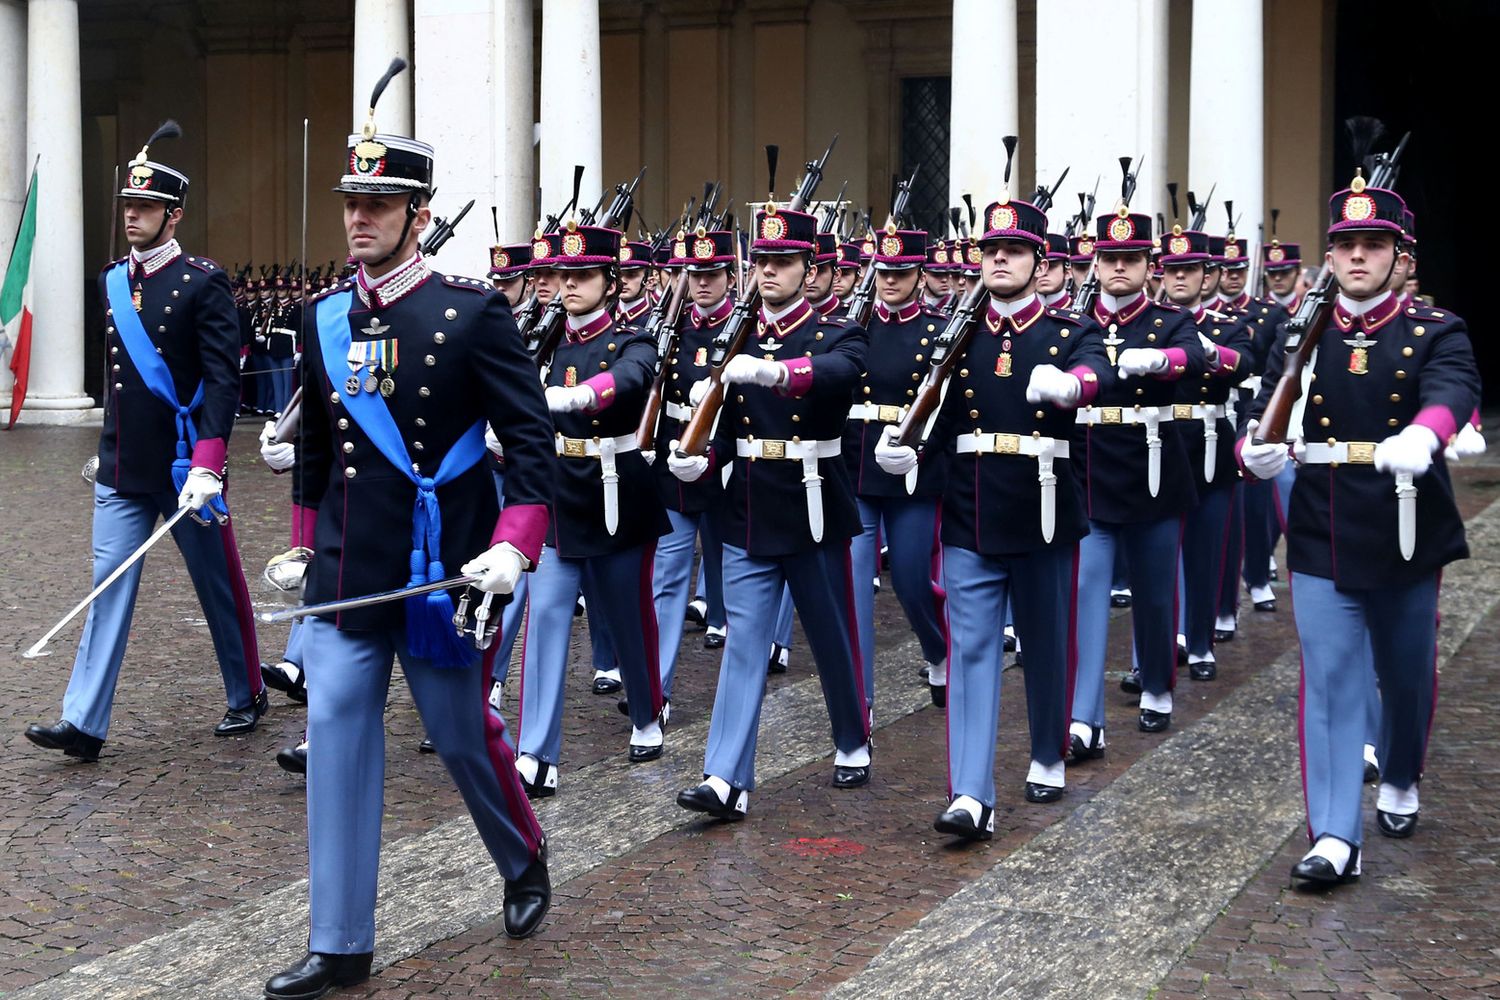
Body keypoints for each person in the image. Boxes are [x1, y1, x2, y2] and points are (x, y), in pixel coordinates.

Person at [263, 65, 555, 999]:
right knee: (337, 731)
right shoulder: (321, 318)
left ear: (417, 214)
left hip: (444, 573)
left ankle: (523, 856)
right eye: (353, 201)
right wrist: (304, 538)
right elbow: (319, 446)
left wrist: (513, 543)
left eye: (380, 203)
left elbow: (532, 445)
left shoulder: (473, 314)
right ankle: (339, 940)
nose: (360, 219)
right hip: (350, 574)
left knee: (462, 736)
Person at [1240, 170, 1478, 889]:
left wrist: (1429, 432)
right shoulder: (1298, 332)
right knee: (1332, 679)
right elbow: (1263, 400)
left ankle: (1401, 773)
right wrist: (1253, 449)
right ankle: (1336, 834)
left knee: (1404, 678)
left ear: (1399, 256)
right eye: (1346, 244)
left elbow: (1455, 391)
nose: (1357, 257)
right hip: (1322, 521)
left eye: (1373, 245)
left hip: (1406, 522)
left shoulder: (1436, 330)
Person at [25, 121, 266, 763]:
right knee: (108, 584)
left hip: (188, 463)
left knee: (217, 582)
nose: (133, 216)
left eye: (146, 207)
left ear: (174, 215)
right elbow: (118, 380)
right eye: (128, 206)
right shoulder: (110, 281)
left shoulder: (201, 281)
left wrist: (211, 461)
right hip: (124, 462)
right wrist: (104, 448)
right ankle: (83, 720)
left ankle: (247, 691)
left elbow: (222, 380)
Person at [877, 194, 1110, 835]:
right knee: (973, 646)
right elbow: (935, 410)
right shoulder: (957, 336)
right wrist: (907, 446)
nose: (999, 260)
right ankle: (970, 793)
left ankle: (1046, 750)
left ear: (1040, 263)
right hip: (971, 510)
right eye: (991, 251)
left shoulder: (1068, 332)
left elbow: (1099, 370)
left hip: (1041, 508)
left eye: (1012, 251)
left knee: (1045, 640)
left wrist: (1074, 385)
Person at [668, 202, 872, 820]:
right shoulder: (737, 339)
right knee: (743, 642)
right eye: (762, 261)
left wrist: (780, 373)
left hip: (812, 503)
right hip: (749, 509)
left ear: (809, 268)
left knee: (831, 638)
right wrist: (701, 460)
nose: (771, 272)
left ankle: (852, 737)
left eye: (783, 261)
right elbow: (728, 428)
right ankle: (726, 776)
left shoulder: (838, 332)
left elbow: (844, 371)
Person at [513, 221, 670, 796]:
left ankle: (648, 713)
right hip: (558, 494)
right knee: (546, 618)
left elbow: (634, 377)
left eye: (582, 275)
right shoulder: (545, 341)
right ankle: (536, 751)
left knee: (628, 617)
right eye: (562, 274)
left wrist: (586, 394)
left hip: (616, 493)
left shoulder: (634, 338)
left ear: (610, 281)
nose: (569, 284)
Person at [1069, 201, 1204, 759]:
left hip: (1152, 467)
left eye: (1131, 258)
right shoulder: (1076, 323)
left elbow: (1196, 358)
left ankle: (1155, 685)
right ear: (1096, 264)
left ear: (1150, 265)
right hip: (1090, 467)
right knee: (1086, 590)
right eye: (1110, 258)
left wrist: (1163, 360)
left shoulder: (1171, 320)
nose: (1119, 268)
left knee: (1152, 593)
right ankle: (1084, 716)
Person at [842, 225, 948, 708]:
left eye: (901, 273)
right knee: (857, 586)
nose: (890, 281)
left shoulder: (938, 331)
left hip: (912, 472)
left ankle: (937, 648)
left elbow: (943, 408)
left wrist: (919, 450)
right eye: (884, 272)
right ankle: (859, 700)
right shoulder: (855, 325)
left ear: (920, 274)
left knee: (908, 578)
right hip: (857, 466)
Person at [646, 227, 736, 706]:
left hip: (723, 470)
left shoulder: (744, 329)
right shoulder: (674, 327)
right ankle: (656, 690)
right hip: (675, 464)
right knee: (669, 578)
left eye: (712, 274)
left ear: (728, 276)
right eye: (695, 274)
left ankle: (740, 681)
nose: (702, 283)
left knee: (733, 578)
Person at [1158, 225, 1251, 681]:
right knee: (1158, 553)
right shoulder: (1149, 325)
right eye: (1173, 269)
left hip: (1209, 446)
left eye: (1189, 269)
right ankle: (1163, 642)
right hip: (1157, 445)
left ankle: (1199, 641)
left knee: (1203, 549)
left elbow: (1245, 362)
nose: (1180, 278)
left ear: (1207, 274)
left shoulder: (1226, 325)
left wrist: (1211, 352)